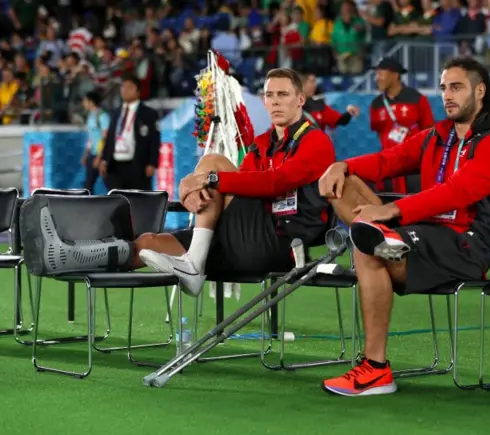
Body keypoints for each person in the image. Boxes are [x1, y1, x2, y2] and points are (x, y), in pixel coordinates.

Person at [317, 57, 490, 397]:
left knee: (368, 248)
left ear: (480, 91)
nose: (447, 95)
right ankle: (380, 241)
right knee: (346, 183)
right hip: (425, 236)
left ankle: (376, 369)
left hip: (467, 247)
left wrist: (392, 211)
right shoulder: (435, 137)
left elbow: (455, 193)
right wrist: (341, 164)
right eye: (443, 88)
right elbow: (387, 160)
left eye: (456, 87)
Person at [134, 68, 336, 297]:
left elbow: (276, 183)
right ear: (264, 102)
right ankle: (96, 258)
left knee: (213, 162)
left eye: (283, 94)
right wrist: (188, 187)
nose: (276, 102)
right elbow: (242, 185)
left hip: (282, 243)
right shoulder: (260, 144)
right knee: (146, 243)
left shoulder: (316, 141)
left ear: (300, 99)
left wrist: (209, 180)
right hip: (241, 237)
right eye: (270, 95)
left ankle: (193, 265)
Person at [369, 57, 435, 194]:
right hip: (388, 167)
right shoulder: (376, 104)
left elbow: (429, 130)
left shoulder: (417, 99)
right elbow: (380, 132)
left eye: (381, 73)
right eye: (376, 74)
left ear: (395, 75)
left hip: (413, 166)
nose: (377, 78)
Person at [100, 75, 160, 191]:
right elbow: (110, 138)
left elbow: (154, 140)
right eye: (123, 87)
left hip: (137, 164)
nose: (125, 90)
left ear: (138, 91)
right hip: (115, 164)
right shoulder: (115, 112)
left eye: (129, 87)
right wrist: (104, 159)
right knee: (116, 199)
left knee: (138, 200)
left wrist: (152, 163)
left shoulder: (148, 113)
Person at [81, 91, 110, 194]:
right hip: (92, 155)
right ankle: (89, 207)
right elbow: (91, 138)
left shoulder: (102, 116)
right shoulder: (91, 116)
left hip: (101, 156)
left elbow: (105, 138)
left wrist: (99, 156)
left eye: (85, 101)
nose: (83, 103)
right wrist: (86, 154)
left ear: (91, 102)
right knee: (88, 185)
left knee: (109, 183)